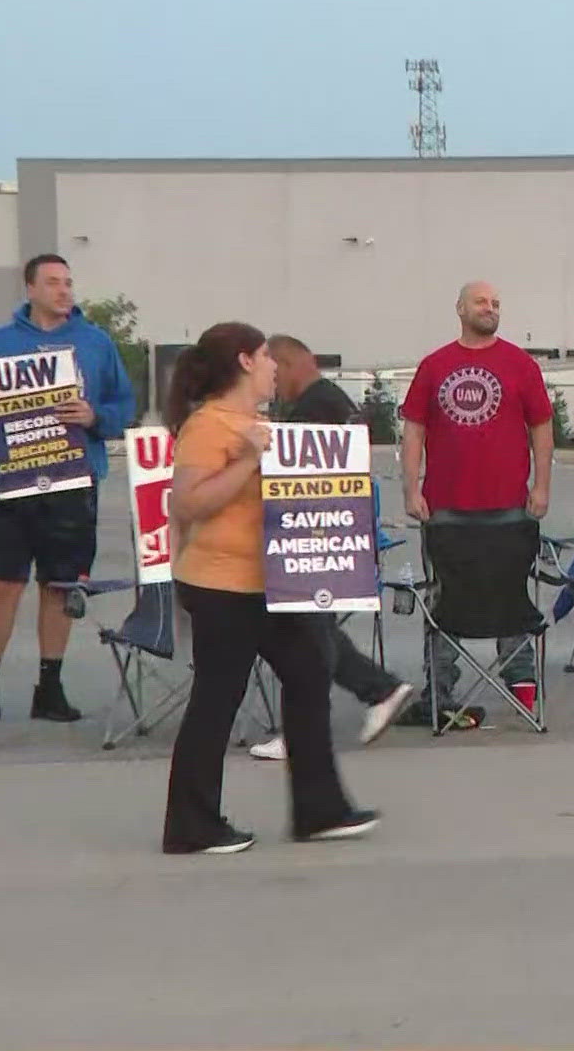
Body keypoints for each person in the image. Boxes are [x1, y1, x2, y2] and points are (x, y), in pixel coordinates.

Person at [161, 321, 377, 855]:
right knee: (217, 698)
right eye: (265, 357)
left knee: (309, 673)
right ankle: (191, 825)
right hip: (220, 585)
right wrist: (249, 459)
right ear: (243, 362)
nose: (275, 367)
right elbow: (187, 504)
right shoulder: (209, 426)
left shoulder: (259, 420)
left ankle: (319, 809)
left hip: (273, 582)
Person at [0, 253, 137, 727]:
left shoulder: (94, 343)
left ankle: (49, 689)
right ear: (30, 289)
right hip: (6, 485)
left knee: (59, 587)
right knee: (3, 585)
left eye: (68, 282)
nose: (64, 291)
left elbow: (125, 402)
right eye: (53, 282)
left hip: (72, 485)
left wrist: (96, 418)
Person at [244, 334, 418, 761]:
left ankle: (357, 701)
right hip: (334, 533)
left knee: (304, 634)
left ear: (289, 364)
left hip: (310, 538)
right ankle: (377, 690)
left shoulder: (313, 409)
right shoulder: (337, 403)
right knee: (310, 631)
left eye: (273, 371)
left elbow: (290, 480)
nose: (273, 384)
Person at [398, 281, 553, 726]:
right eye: (482, 302)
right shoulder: (434, 366)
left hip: (510, 509)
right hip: (445, 510)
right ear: (460, 307)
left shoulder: (520, 365)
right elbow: (414, 429)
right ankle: (439, 691)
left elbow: (542, 428)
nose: (491, 309)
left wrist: (541, 486)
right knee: (444, 598)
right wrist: (412, 488)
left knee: (511, 593)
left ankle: (522, 682)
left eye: (497, 304)